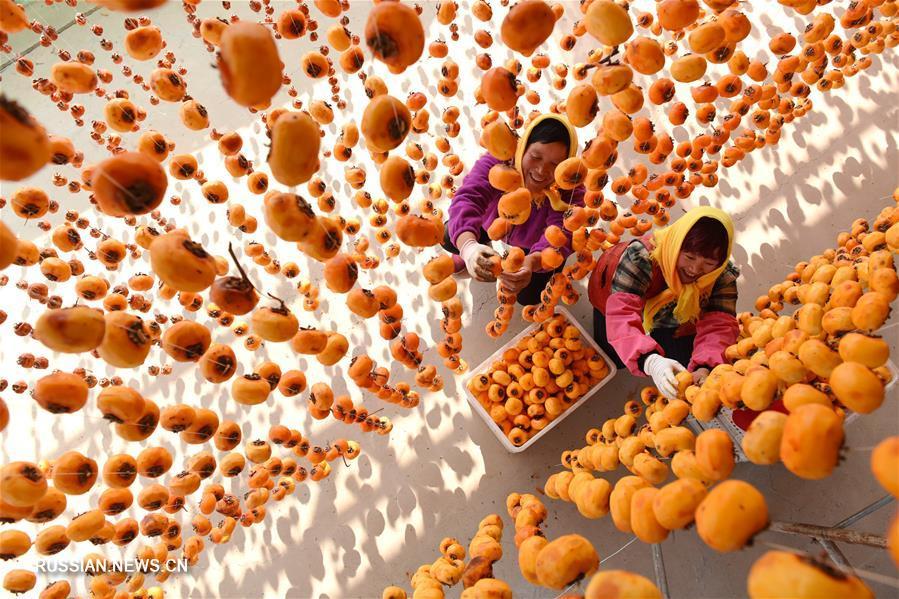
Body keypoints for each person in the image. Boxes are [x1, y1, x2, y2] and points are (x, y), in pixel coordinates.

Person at [588, 207, 739, 397]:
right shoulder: (641, 257)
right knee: (615, 356)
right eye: (689, 257)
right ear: (676, 245)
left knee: (681, 355)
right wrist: (650, 361)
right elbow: (621, 314)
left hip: (672, 309)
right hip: (611, 296)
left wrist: (706, 367)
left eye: (708, 263)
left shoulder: (721, 275)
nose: (695, 269)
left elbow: (720, 325)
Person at [441, 113, 585, 305]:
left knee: (529, 297)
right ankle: (479, 244)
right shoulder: (501, 160)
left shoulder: (570, 186)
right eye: (535, 157)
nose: (541, 171)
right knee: (449, 235)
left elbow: (563, 234)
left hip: (532, 246)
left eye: (554, 165)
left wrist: (531, 263)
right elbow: (469, 197)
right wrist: (468, 247)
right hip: (491, 221)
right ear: (522, 148)